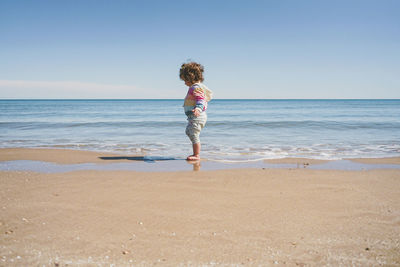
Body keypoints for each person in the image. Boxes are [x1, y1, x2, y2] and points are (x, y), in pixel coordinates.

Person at [179, 61, 213, 161]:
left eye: (185, 80)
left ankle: (196, 155)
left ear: (190, 77)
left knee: (193, 134)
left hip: (197, 116)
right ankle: (196, 153)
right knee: (189, 132)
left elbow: (201, 99)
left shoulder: (196, 87)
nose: (184, 82)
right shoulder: (195, 87)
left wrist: (198, 108)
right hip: (194, 116)